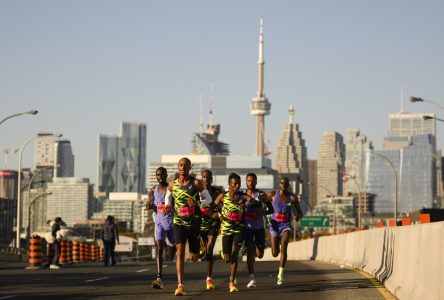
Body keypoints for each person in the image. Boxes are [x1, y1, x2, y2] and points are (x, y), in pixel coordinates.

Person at [164, 157, 212, 296]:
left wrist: (197, 203)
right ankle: (180, 284)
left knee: (193, 257)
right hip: (179, 222)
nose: (183, 167)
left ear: (190, 167)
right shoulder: (172, 185)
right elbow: (168, 196)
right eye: (181, 164)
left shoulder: (196, 183)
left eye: (186, 165)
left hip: (194, 223)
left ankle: (199, 247)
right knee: (179, 249)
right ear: (178, 167)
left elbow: (208, 199)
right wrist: (168, 205)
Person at [214, 173, 259, 293]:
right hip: (227, 229)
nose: (237, 186)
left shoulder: (243, 196)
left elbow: (256, 203)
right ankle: (225, 254)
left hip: (239, 228)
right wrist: (220, 214)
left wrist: (245, 205)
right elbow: (213, 206)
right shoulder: (223, 196)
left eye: (239, 183)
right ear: (229, 184)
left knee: (235, 253)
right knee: (228, 258)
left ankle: (232, 282)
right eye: (234, 184)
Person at [268, 176, 303, 285]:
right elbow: (264, 205)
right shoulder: (273, 195)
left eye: (285, 183)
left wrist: (297, 216)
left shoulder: (292, 198)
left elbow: (300, 212)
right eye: (281, 183)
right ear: (279, 184)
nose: (283, 185)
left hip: (285, 225)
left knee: (284, 247)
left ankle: (280, 275)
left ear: (288, 185)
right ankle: (276, 243)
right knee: (274, 253)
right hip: (274, 225)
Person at [242, 173, 274, 288]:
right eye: (249, 181)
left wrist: (263, 212)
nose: (251, 183)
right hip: (247, 228)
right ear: (246, 182)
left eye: (253, 181)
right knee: (250, 252)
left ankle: (258, 248)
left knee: (259, 254)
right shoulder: (242, 195)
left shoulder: (261, 195)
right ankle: (252, 278)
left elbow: (271, 209)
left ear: (256, 182)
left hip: (259, 228)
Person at [147, 167, 175, 289]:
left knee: (175, 246)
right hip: (159, 222)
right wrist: (149, 205)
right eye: (158, 175)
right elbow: (152, 205)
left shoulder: (171, 187)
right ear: (156, 176)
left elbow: (176, 203)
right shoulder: (153, 190)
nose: (160, 177)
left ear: (166, 175)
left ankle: (178, 268)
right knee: (159, 247)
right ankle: (159, 277)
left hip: (171, 222)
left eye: (162, 174)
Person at [199, 169, 224, 290]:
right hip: (199, 225)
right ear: (201, 178)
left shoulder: (217, 192)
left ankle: (209, 279)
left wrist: (218, 215)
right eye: (204, 177)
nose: (206, 179)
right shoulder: (196, 191)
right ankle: (201, 246)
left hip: (213, 224)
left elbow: (221, 208)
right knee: (202, 251)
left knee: (210, 248)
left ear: (212, 178)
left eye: (209, 177)